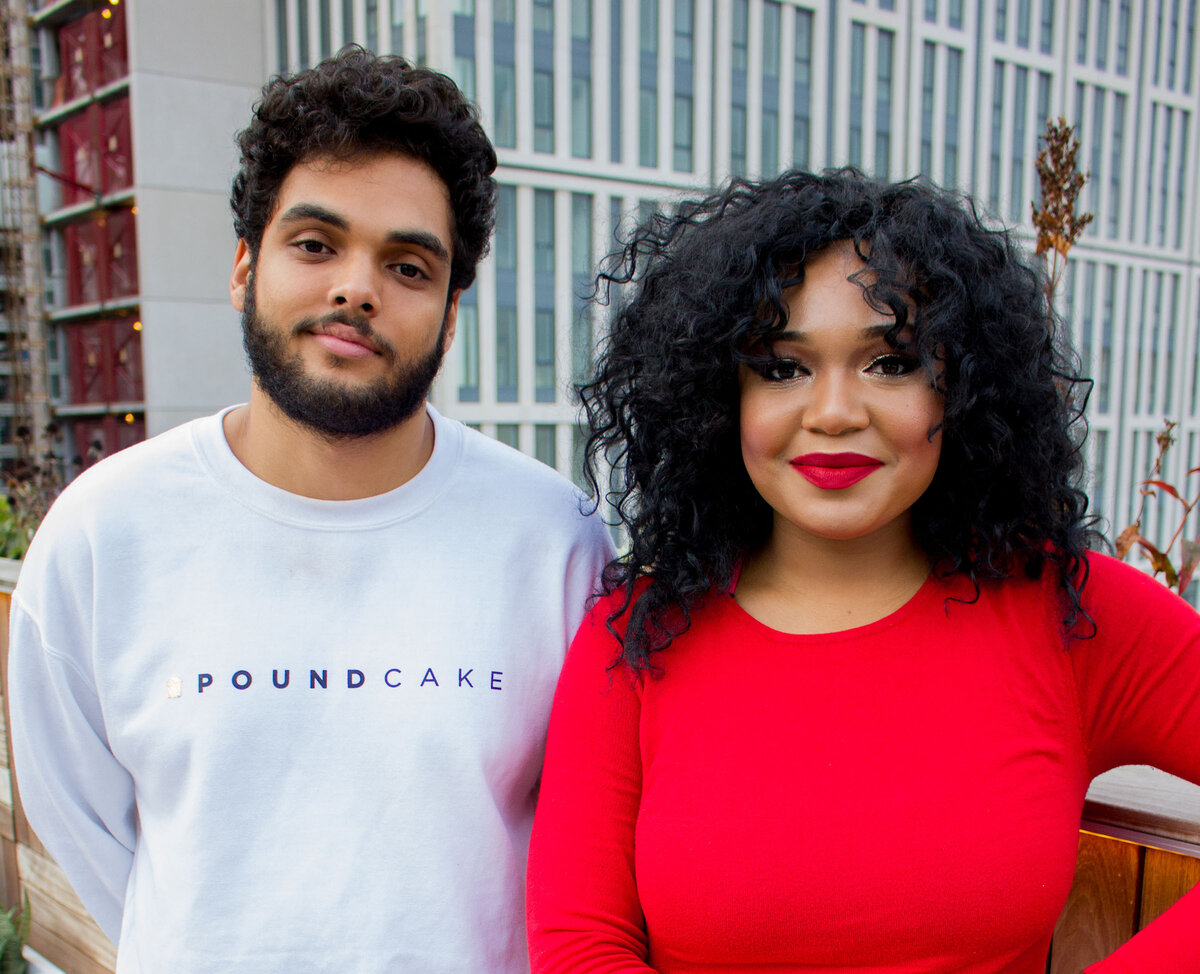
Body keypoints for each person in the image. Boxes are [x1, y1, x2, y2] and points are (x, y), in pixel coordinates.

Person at [10, 48, 611, 973]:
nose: (355, 288)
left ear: (450, 315)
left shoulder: (552, 537)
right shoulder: (104, 531)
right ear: (245, 268)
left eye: (408, 266)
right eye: (316, 244)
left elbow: (586, 835)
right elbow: (79, 821)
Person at [525, 169, 1200, 973]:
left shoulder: (1073, 611)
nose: (836, 411)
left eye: (890, 362)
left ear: (964, 387)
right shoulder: (639, 629)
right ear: (716, 396)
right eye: (781, 367)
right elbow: (580, 943)